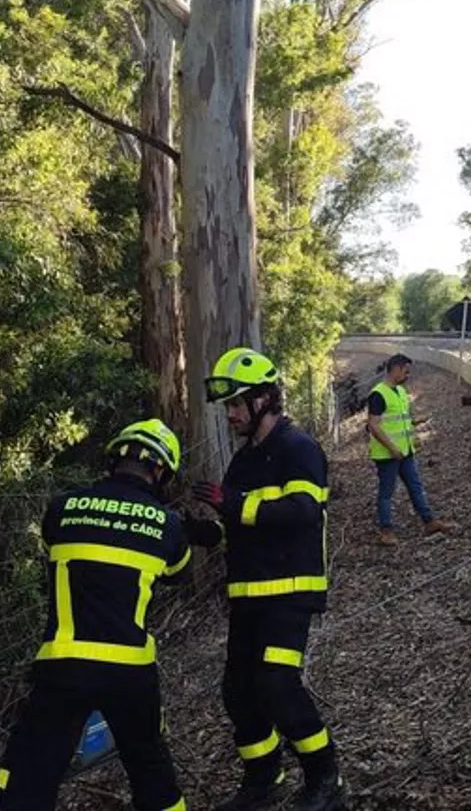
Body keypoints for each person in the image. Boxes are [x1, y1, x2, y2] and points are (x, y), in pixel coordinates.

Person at [0, 419, 192, 811]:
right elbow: (179, 574)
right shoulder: (167, 525)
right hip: (130, 671)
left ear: (114, 461)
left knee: (31, 772)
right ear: (161, 471)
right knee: (150, 768)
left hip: (63, 666)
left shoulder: (62, 508)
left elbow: (56, 545)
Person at [189, 347, 346, 811]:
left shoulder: (299, 449)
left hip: (291, 593)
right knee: (238, 691)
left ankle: (326, 780)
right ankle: (264, 777)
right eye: (228, 406)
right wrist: (204, 531)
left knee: (277, 684)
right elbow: (240, 526)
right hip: (248, 597)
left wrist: (234, 507)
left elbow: (301, 512)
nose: (231, 414)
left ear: (264, 400)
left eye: (237, 404)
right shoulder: (242, 463)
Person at [365, 353, 455, 546]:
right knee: (387, 493)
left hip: (405, 452)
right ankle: (386, 530)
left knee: (416, 487)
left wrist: (415, 427)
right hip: (388, 454)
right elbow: (373, 425)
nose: (407, 375)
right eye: (405, 371)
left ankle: (429, 521)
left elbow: (399, 420)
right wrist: (391, 447)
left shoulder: (400, 392)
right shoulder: (378, 394)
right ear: (395, 369)